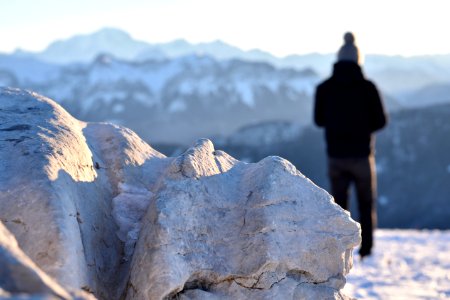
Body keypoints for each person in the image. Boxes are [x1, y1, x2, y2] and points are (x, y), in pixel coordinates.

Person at [314, 32, 387, 258]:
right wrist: (361, 128)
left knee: (339, 207)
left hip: (336, 156)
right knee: (366, 204)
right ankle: (366, 250)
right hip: (362, 156)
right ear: (358, 60)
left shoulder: (324, 88)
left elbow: (319, 120)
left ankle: (340, 251)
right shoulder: (368, 88)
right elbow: (381, 121)